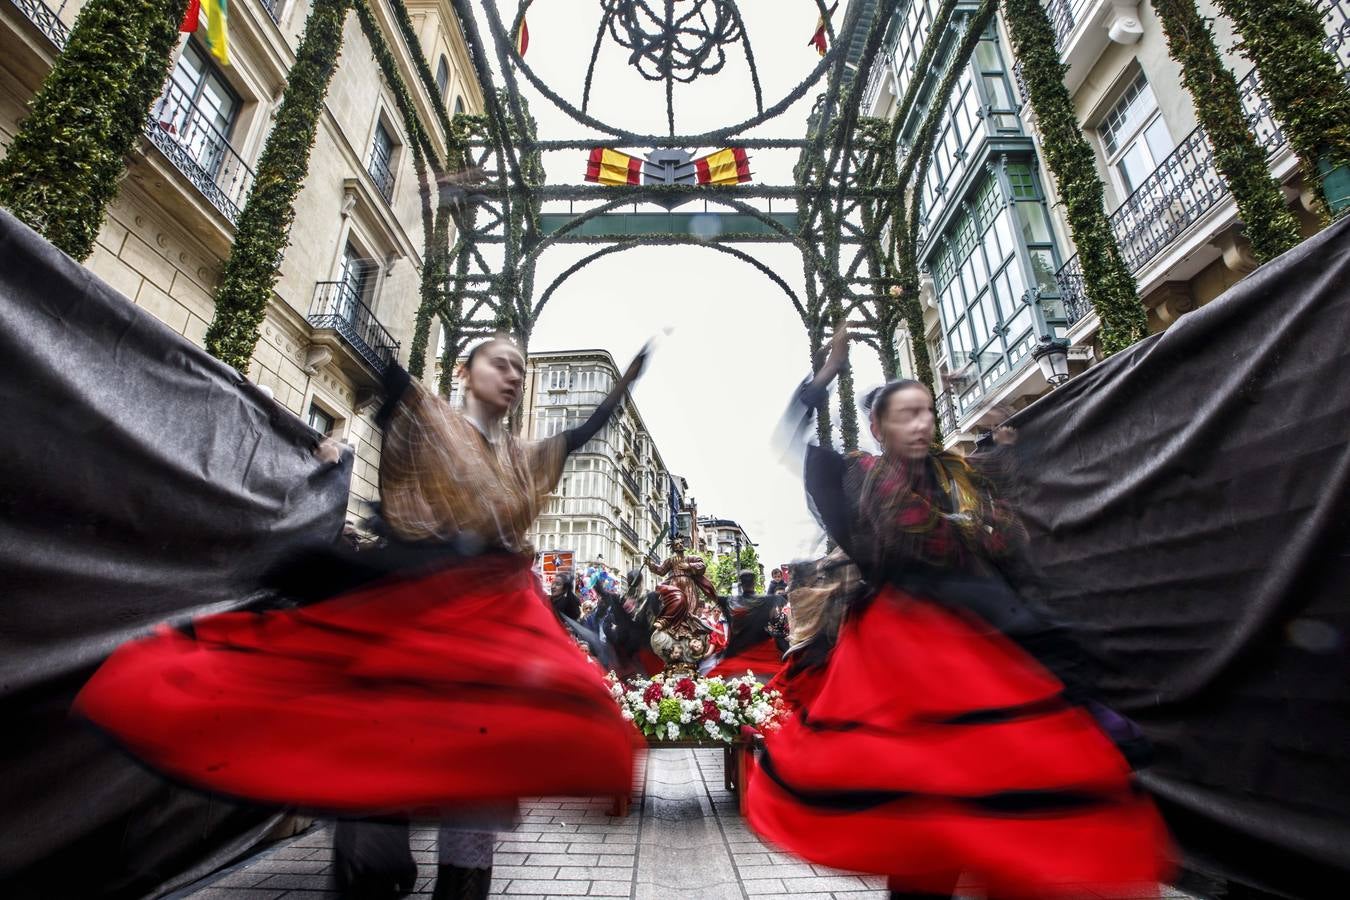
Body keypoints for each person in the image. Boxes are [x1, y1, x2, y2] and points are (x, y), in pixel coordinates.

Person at [74, 335, 649, 900]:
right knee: (382, 755)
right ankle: (370, 864)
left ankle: (458, 887)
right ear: (464, 374)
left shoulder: (522, 457)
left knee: (480, 774)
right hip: (413, 613)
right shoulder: (430, 418)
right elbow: (388, 376)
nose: (514, 376)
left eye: (520, 368)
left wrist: (620, 389)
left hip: (486, 629)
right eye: (501, 364)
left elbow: (573, 439)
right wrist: (317, 438)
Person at [744, 327, 1172, 900]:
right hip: (906, 649)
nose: (921, 424)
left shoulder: (961, 475)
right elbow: (791, 441)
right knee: (924, 795)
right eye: (906, 414)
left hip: (986, 633)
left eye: (927, 411)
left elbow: (1008, 540)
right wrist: (822, 380)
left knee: (1001, 785)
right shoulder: (858, 475)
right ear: (879, 426)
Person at [705, 570, 789, 681]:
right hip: (763, 659)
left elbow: (709, 593)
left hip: (738, 658)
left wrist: (696, 577)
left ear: (741, 584)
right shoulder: (768, 600)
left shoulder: (731, 601)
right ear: (754, 583)